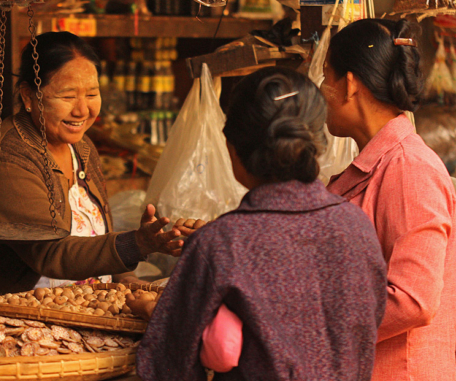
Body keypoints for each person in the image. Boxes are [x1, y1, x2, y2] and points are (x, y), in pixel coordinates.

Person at [135, 66, 387, 380]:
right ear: (316, 145)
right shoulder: (355, 226)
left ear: (233, 149)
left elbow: (167, 365)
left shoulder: (221, 243)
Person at [0, 32, 183, 305]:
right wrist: (137, 243)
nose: (83, 110)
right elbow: (51, 254)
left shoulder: (82, 148)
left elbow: (93, 239)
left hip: (74, 306)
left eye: (92, 94)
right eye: (67, 96)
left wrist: (126, 280)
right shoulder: (6, 157)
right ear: (29, 96)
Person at [323, 18, 456, 381]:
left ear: (348, 84)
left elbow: (413, 300)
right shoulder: (379, 164)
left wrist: (313, 322)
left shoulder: (408, 168)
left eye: (325, 75)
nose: (321, 89)